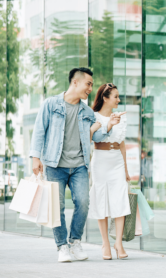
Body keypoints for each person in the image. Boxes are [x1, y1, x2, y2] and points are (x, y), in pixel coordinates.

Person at [29, 68, 122, 262]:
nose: (90, 88)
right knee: (58, 206)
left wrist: (108, 126)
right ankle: (62, 246)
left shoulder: (87, 111)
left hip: (79, 164)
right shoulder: (51, 104)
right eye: (88, 84)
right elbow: (39, 131)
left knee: (84, 203)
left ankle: (75, 242)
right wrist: (35, 157)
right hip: (55, 164)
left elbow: (94, 136)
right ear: (75, 83)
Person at [88, 83, 130, 260]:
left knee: (119, 200)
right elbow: (90, 138)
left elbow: (121, 144)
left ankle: (118, 243)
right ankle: (105, 243)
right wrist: (108, 124)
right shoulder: (93, 116)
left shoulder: (122, 117)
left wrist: (126, 169)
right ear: (105, 98)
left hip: (117, 162)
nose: (119, 100)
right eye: (115, 96)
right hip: (100, 160)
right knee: (102, 201)